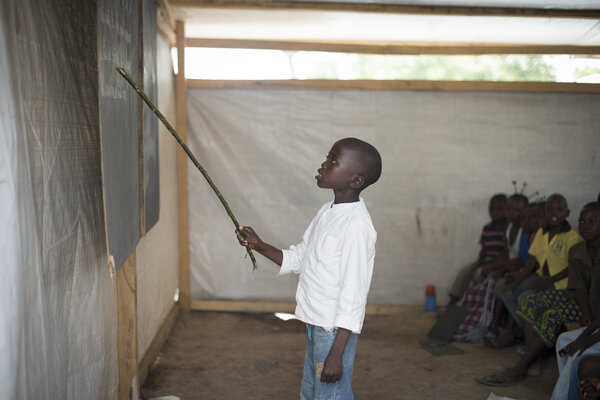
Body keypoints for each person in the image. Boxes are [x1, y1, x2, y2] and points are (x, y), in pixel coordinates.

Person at [236, 137, 382, 400]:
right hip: (317, 325)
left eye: (333, 161)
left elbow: (354, 295)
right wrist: (259, 245)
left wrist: (336, 354)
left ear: (356, 180)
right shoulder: (327, 211)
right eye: (327, 157)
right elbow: (300, 258)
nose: (323, 164)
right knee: (313, 391)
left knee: (330, 395)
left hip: (334, 332)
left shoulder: (356, 227)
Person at [477, 194, 581, 386]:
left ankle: (532, 351)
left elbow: (571, 268)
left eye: (558, 210)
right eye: (550, 209)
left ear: (567, 213)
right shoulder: (543, 232)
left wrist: (549, 279)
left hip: (560, 283)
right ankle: (529, 341)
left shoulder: (572, 237)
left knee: (527, 299)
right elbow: (533, 260)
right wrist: (516, 280)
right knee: (510, 293)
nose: (553, 214)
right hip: (542, 278)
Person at [551, 201, 600, 399]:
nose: (585, 225)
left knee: (578, 354)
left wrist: (586, 340)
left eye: (591, 221)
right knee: (565, 340)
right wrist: (583, 337)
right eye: (581, 221)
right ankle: (572, 392)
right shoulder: (578, 251)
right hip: (596, 320)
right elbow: (579, 286)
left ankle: (562, 397)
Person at [446, 193, 508, 306]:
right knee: (465, 271)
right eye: (492, 208)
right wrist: (479, 262)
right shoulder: (487, 227)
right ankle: (452, 304)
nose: (494, 212)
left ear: (506, 210)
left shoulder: (507, 229)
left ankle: (467, 307)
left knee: (476, 276)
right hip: (486, 259)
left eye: (499, 209)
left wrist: (485, 264)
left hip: (499, 262)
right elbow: (484, 249)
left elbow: (505, 254)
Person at [482, 194, 529, 336]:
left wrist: (503, 268)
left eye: (516, 209)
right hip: (511, 265)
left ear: (525, 211)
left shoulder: (525, 230)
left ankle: (499, 326)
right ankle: (494, 322)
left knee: (501, 285)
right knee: (490, 277)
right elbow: (505, 253)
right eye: (509, 209)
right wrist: (497, 266)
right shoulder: (508, 226)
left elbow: (522, 260)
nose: (511, 212)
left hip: (520, 268)